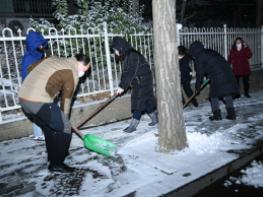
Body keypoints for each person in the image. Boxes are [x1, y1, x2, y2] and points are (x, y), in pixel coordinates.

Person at [19, 54, 91, 173]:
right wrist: (64, 119)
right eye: (85, 69)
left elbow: (30, 68)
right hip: (38, 100)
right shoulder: (71, 73)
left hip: (24, 98)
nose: (84, 72)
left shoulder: (53, 58)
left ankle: (52, 159)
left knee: (49, 128)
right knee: (65, 128)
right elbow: (66, 101)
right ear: (79, 63)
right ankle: (58, 163)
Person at [111, 37, 158, 133]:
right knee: (146, 101)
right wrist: (121, 85)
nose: (115, 52)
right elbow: (125, 73)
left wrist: (122, 86)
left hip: (143, 80)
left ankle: (133, 126)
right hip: (139, 80)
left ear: (120, 47)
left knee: (138, 102)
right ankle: (155, 118)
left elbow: (131, 72)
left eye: (115, 50)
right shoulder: (126, 55)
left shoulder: (132, 55)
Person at [189, 41, 239, 121]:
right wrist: (209, 74)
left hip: (217, 76)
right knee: (227, 94)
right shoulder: (210, 51)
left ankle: (217, 115)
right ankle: (232, 114)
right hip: (227, 72)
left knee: (214, 96)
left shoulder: (199, 57)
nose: (193, 57)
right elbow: (213, 64)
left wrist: (197, 87)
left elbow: (200, 74)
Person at [22, 31, 48, 141]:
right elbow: (26, 74)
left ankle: (38, 133)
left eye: (42, 44)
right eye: (39, 44)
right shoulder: (30, 58)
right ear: (34, 45)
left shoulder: (37, 56)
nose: (42, 46)